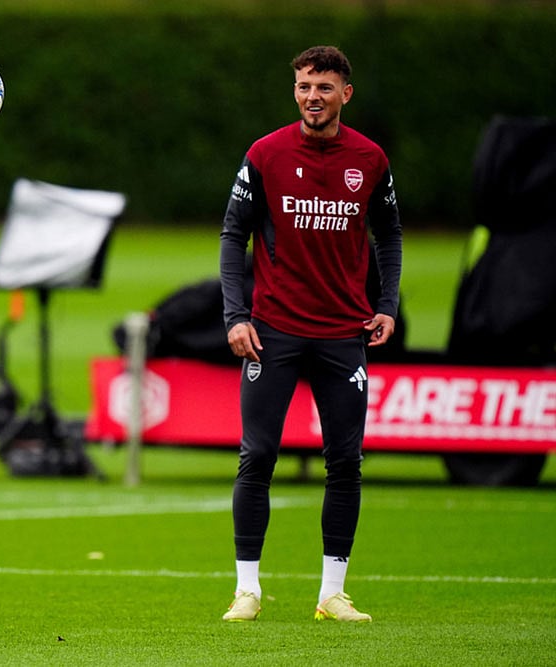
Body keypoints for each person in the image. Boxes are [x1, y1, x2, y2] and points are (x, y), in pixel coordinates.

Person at [218, 45, 402, 622]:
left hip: (343, 334)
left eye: (323, 87)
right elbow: (232, 236)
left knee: (345, 462)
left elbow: (389, 236)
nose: (312, 97)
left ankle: (332, 594)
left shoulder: (370, 159)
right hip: (272, 331)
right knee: (258, 457)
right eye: (303, 86)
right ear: (293, 90)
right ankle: (247, 590)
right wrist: (236, 315)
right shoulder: (265, 154)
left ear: (345, 93)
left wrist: (386, 305)